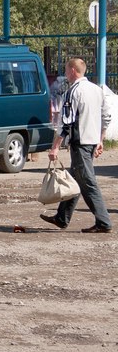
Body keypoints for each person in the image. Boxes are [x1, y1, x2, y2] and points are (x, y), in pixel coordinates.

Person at [40, 58, 112, 233]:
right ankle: (61, 217)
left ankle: (103, 222)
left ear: (73, 70)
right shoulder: (97, 90)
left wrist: (55, 147)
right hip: (91, 141)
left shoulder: (73, 92)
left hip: (80, 142)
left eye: (66, 70)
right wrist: (100, 139)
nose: (65, 74)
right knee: (76, 180)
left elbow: (66, 122)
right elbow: (106, 116)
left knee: (87, 182)